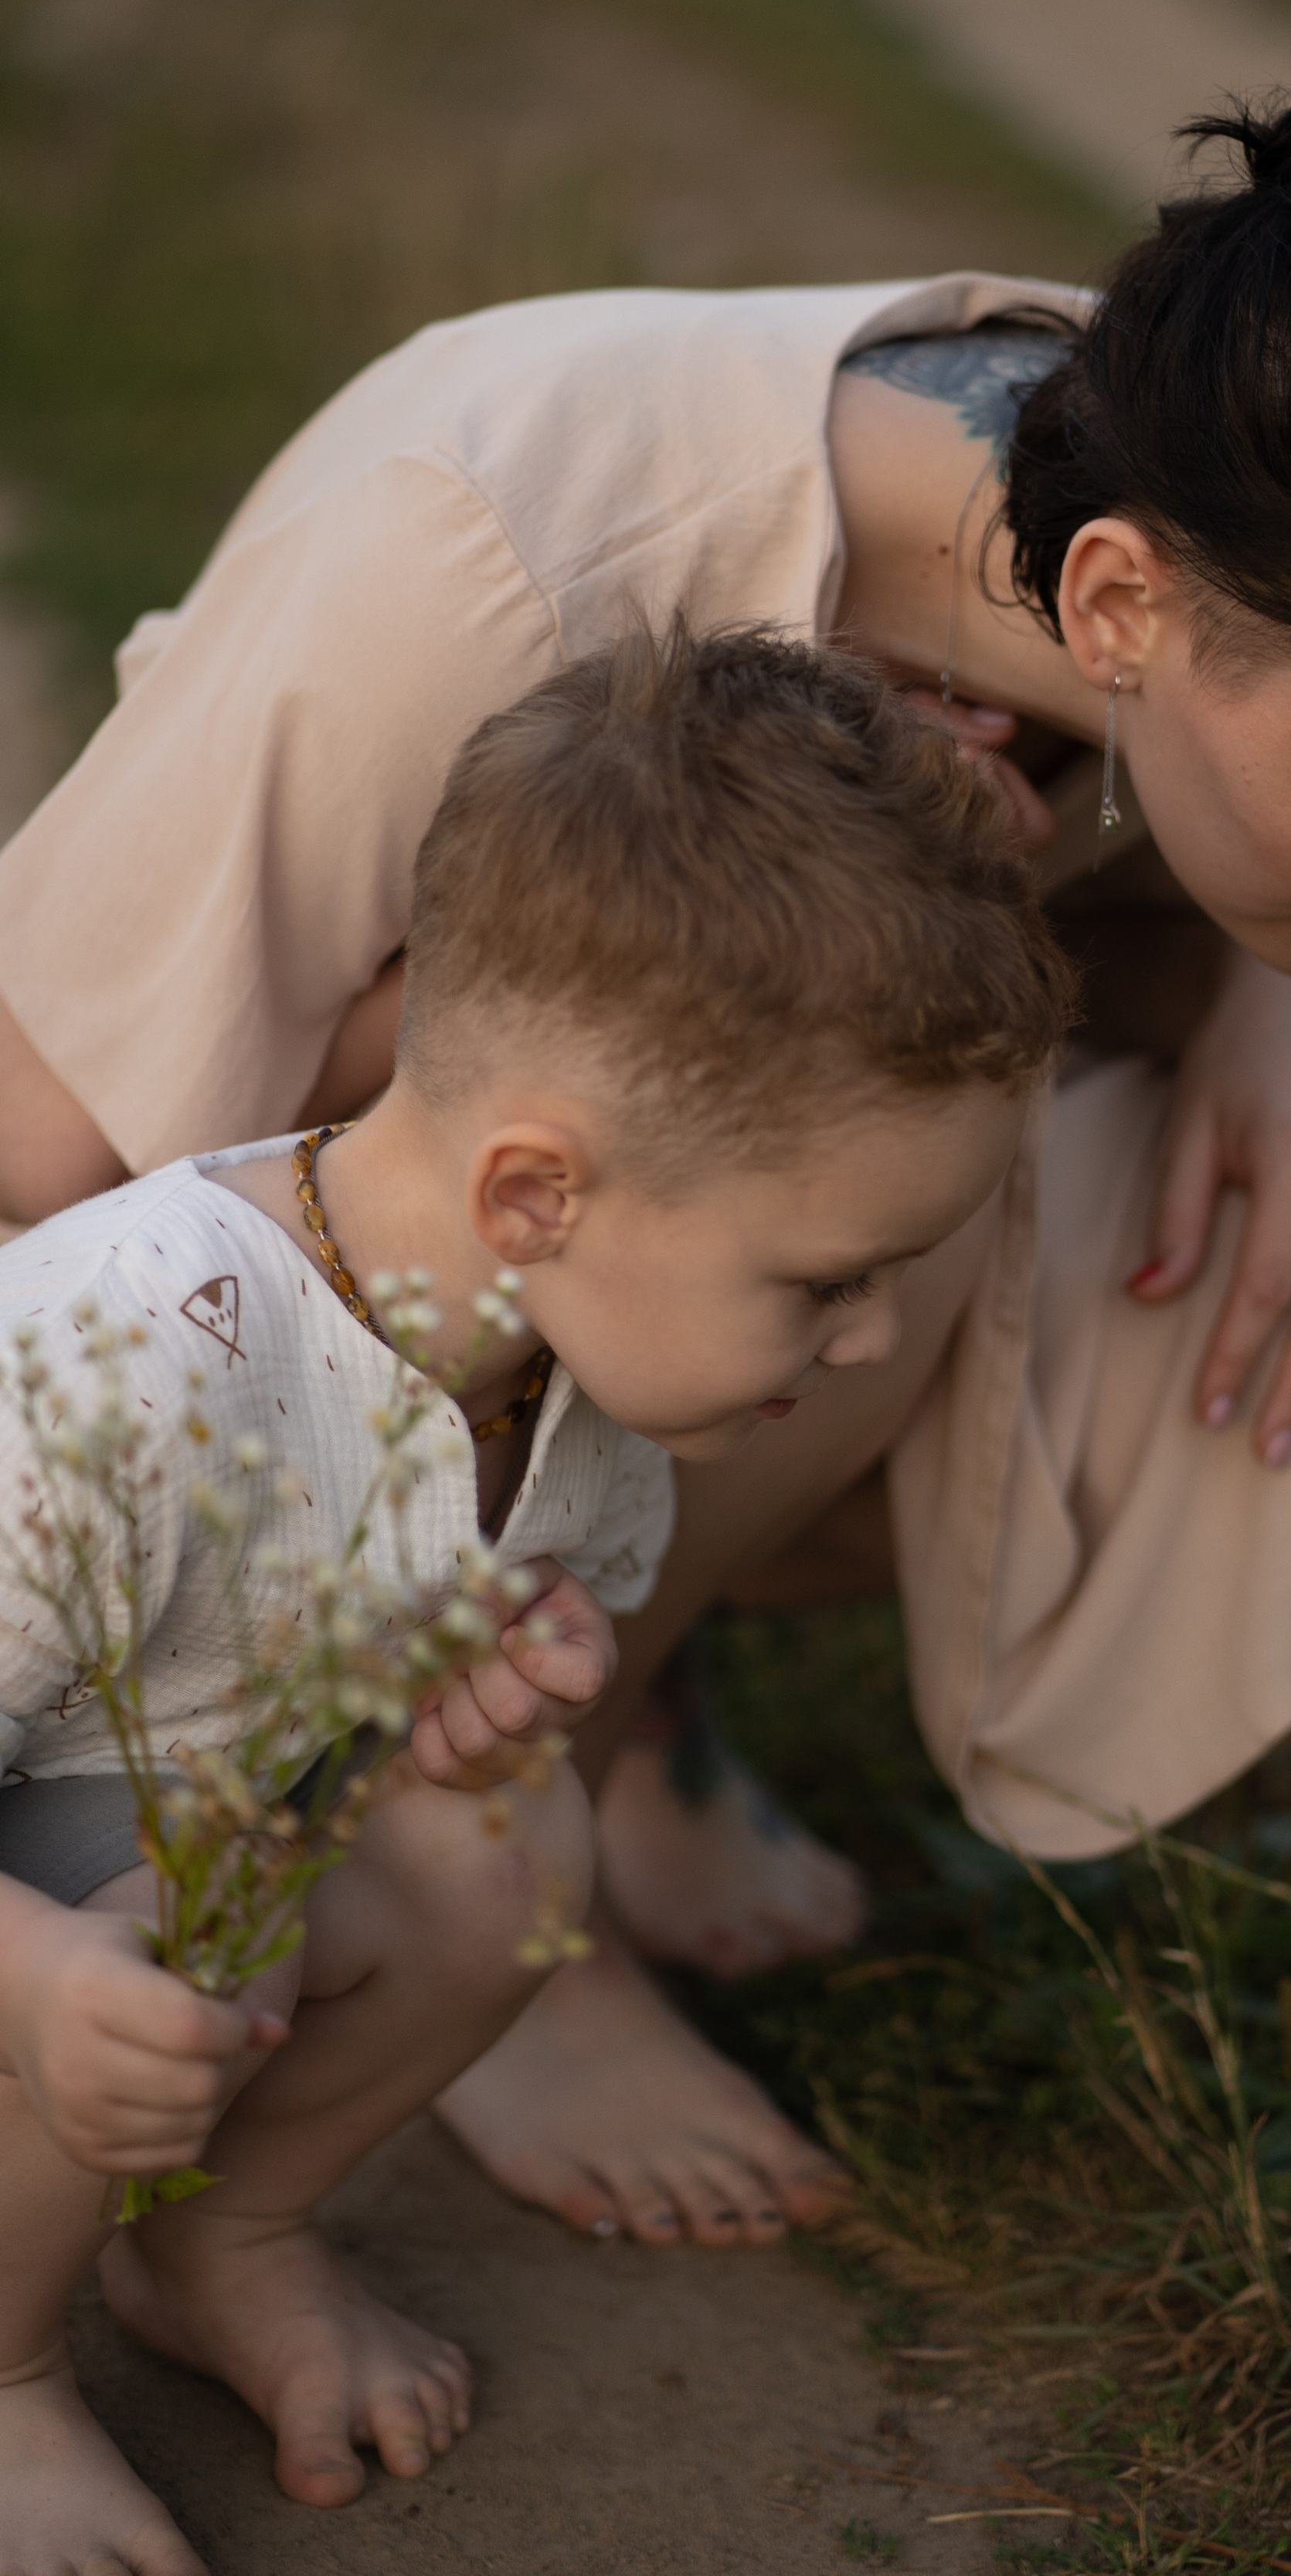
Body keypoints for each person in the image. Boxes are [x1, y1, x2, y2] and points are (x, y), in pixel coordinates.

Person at [0, 0, 1291, 2251]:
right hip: (295, 1198)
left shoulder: (1220, 472)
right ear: (1122, 603)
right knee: (873, 1159)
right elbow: (52, 1151)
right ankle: (494, 1883)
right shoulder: (479, 562)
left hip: (605, 1261)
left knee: (1105, 1172)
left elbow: (1190, 858)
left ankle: (615, 1725)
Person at [0, 629, 1071, 2571]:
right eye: (828, 1277)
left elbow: (405, 1690)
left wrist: (496, 1691)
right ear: (534, 1197)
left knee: (498, 1841)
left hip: (137, 1870)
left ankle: (218, 2244)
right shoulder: (126, 1358)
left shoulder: (558, 1356)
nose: (871, 1340)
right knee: (191, 1930)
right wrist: (38, 1974)